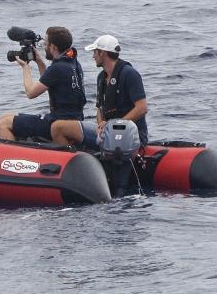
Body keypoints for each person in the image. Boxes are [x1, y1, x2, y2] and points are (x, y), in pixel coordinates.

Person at [53, 34, 148, 196]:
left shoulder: (129, 74)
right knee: (59, 128)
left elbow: (141, 107)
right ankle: (77, 172)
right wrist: (102, 123)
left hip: (130, 136)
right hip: (106, 134)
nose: (93, 56)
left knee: (119, 140)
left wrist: (116, 126)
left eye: (95, 52)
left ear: (103, 53)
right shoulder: (101, 78)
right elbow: (100, 109)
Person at [0, 27, 87, 142]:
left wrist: (25, 67)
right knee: (6, 116)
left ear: (53, 47)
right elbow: (48, 81)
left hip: (58, 122)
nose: (44, 47)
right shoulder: (73, 63)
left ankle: (12, 158)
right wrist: (39, 61)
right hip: (73, 120)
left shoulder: (57, 68)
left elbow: (30, 93)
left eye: (46, 44)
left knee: (5, 123)